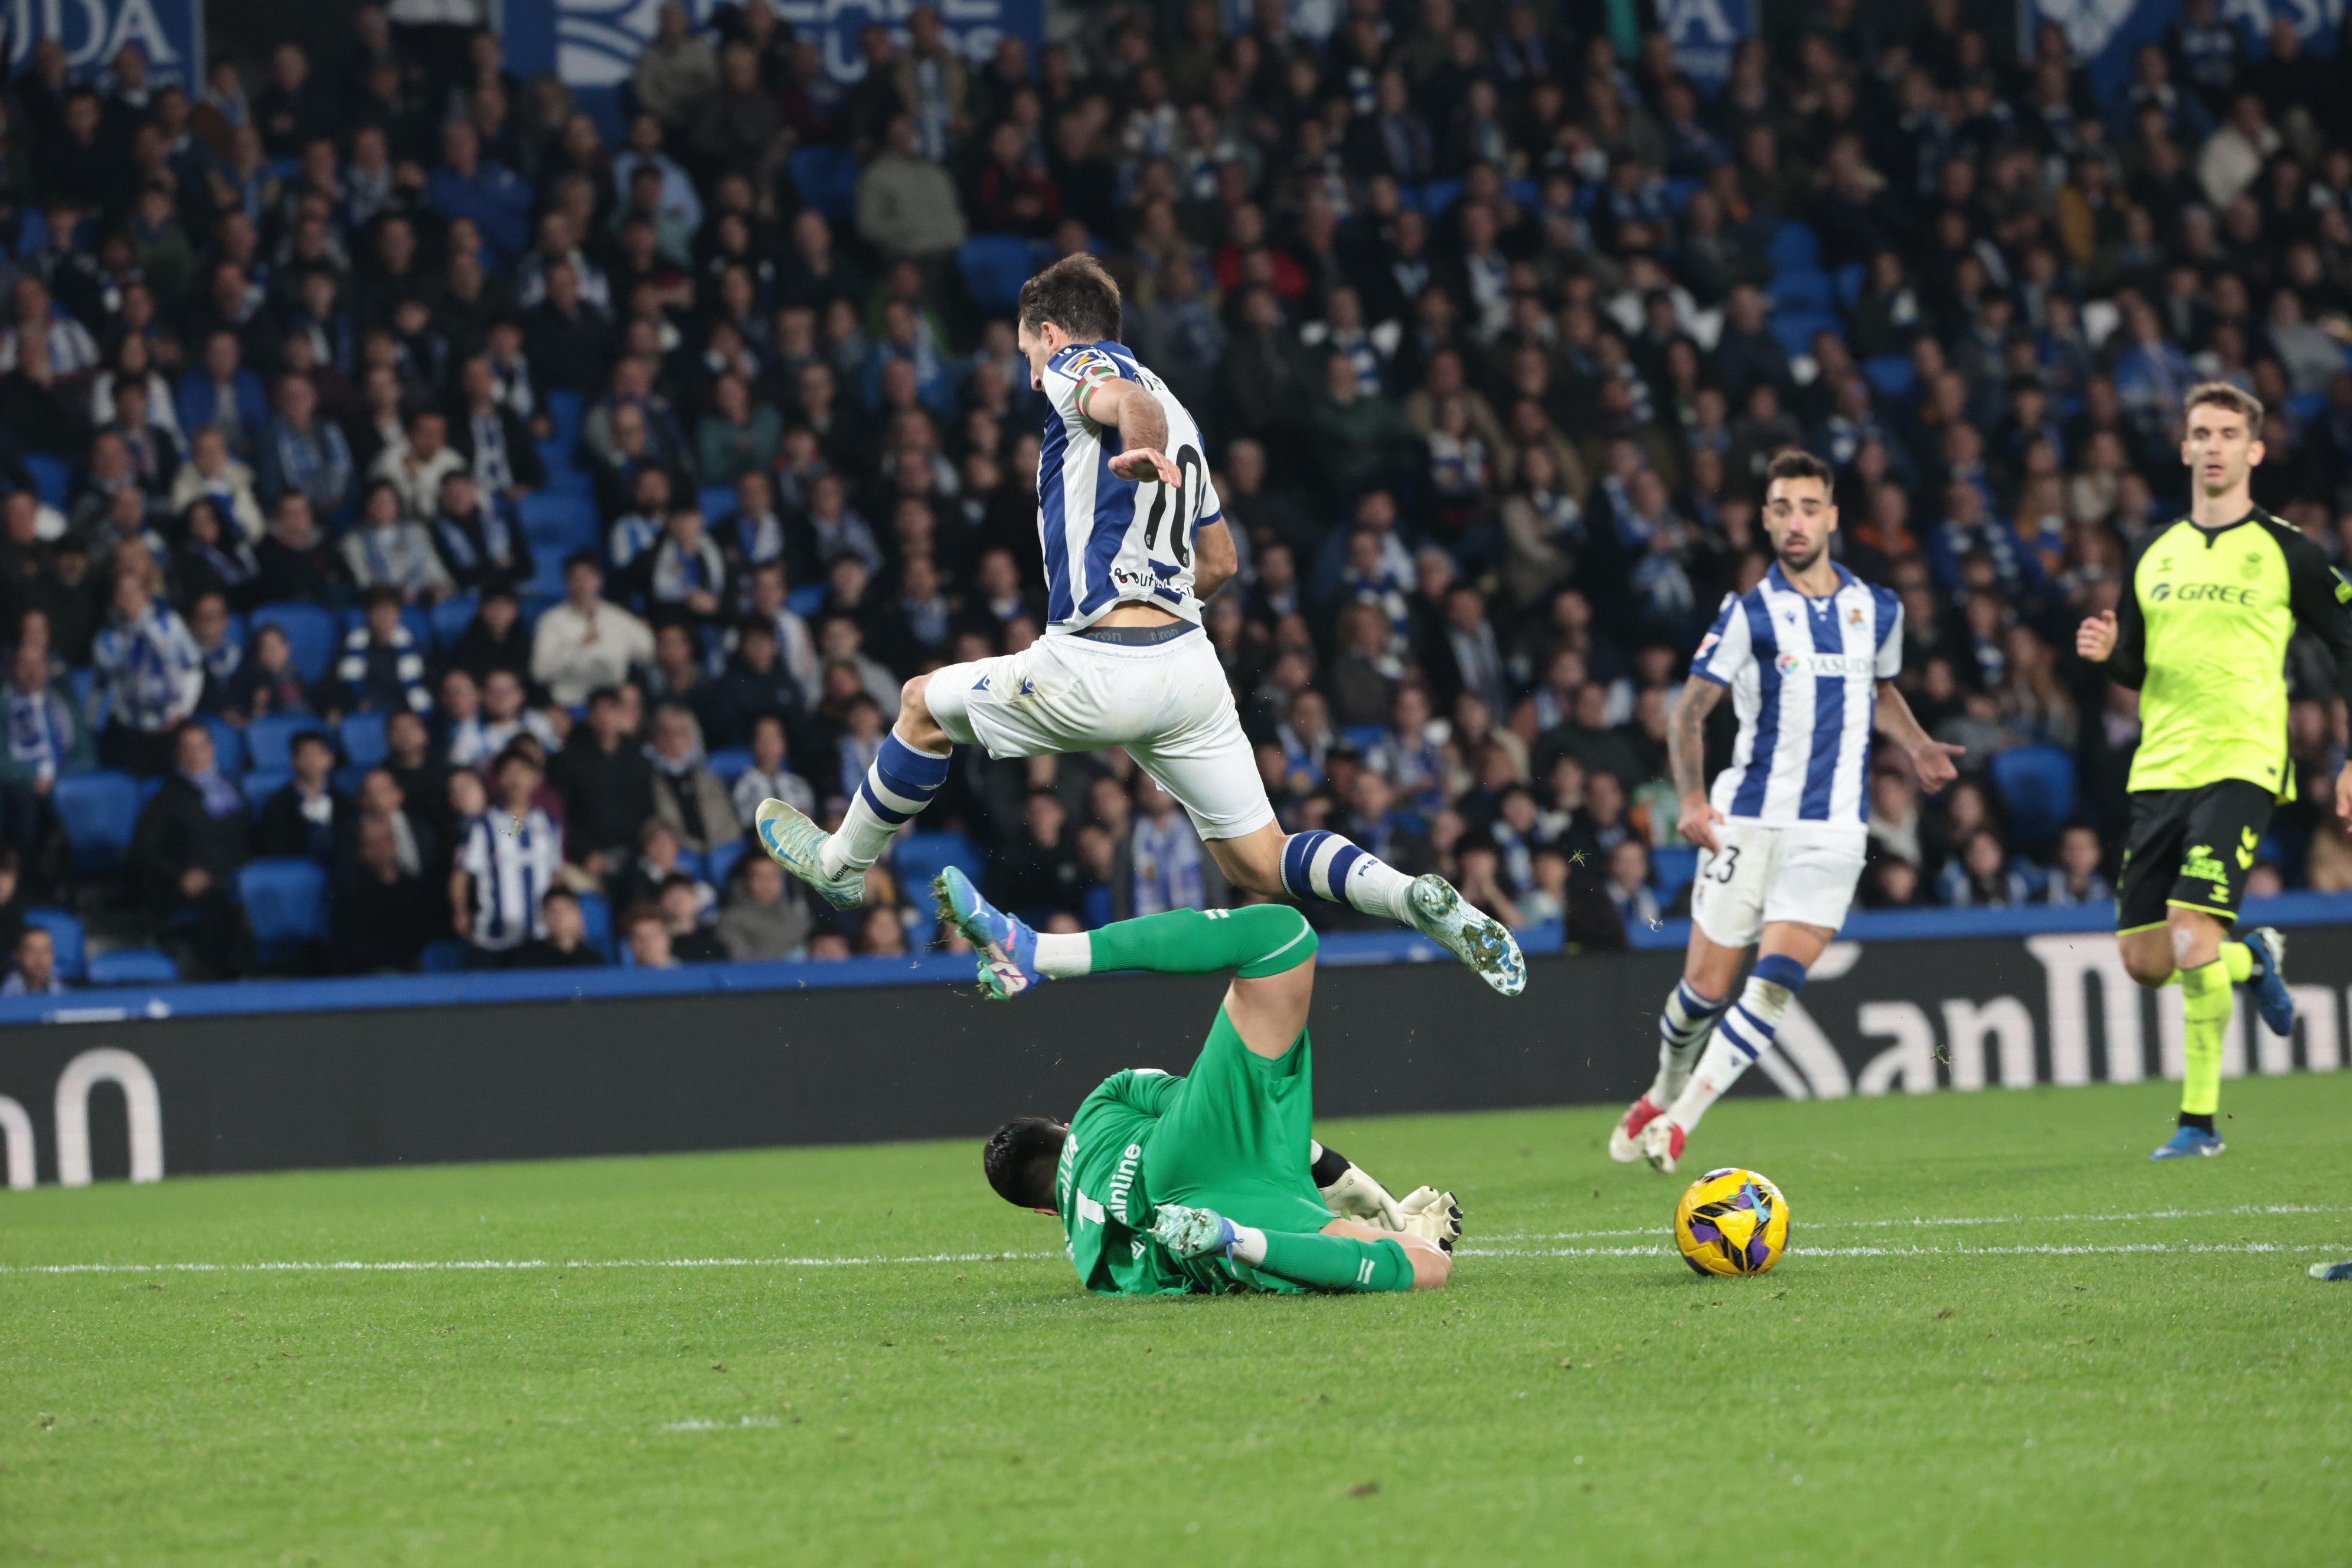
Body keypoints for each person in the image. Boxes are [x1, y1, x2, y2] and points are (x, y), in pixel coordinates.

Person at [752, 254, 1524, 996]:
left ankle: (843, 865)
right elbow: (1219, 561)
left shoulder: (1085, 371)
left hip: (1097, 663)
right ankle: (1407, 896)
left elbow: (1125, 403)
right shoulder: (1185, 412)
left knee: (922, 702)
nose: (1030, 372)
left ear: (1052, 333)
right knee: (1262, 861)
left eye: (1027, 351)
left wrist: (1136, 442)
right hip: (1187, 671)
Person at [1614, 451, 1963, 1174]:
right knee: (1701, 995)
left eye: (1809, 507)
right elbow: (1687, 716)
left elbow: (1879, 690)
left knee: (1775, 981)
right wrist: (1689, 798)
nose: (1796, 521)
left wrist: (1920, 744)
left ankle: (1681, 1120)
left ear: (1833, 516)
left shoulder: (1879, 609)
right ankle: (1663, 1086)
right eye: (1782, 508)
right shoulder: (1749, 614)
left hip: (1833, 830)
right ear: (1767, 520)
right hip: (1746, 820)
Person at [941, 866, 1458, 1296]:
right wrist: (1331, 1167)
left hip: (1204, 1216)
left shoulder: (1092, 1264)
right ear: (1062, 1127)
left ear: (1043, 1209)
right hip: (1193, 1138)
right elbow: (1193, 1101)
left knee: (1428, 1266)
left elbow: (1162, 1275)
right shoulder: (1100, 1105)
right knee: (1281, 937)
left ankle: (1247, 1239)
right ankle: (1043, 953)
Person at [2075, 383, 2352, 1159]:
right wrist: (2109, 657)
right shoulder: (2153, 552)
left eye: (2232, 433)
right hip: (2160, 766)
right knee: (2144, 960)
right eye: (2203, 432)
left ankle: (2198, 1123)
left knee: (2192, 931)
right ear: (2186, 447)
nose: (2218, 445)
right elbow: (2137, 661)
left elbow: (2346, 633)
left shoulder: (2286, 548)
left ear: (2255, 450)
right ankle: (2252, 956)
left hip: (2243, 760)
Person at [452, 746, 564, 960]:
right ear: (499, 779)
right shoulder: (483, 826)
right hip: (494, 939)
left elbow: (556, 873)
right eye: (508, 773)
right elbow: (461, 874)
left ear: (535, 778)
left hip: (539, 936)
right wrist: (460, 912)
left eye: (522, 771)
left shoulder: (549, 825)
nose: (516, 779)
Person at [256, 729, 352, 861]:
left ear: (330, 759)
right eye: (306, 755)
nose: (312, 761)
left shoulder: (346, 803)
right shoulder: (277, 805)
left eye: (318, 754)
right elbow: (274, 850)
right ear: (294, 760)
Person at [505, 886, 606, 969]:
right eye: (553, 911)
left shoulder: (593, 960)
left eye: (565, 910)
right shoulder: (528, 958)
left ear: (578, 915)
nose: (559, 918)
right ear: (544, 917)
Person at [2, 923, 64, 994]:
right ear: (17, 955)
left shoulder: (65, 988)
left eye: (46, 950)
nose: (40, 959)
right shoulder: (7, 995)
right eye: (32, 951)